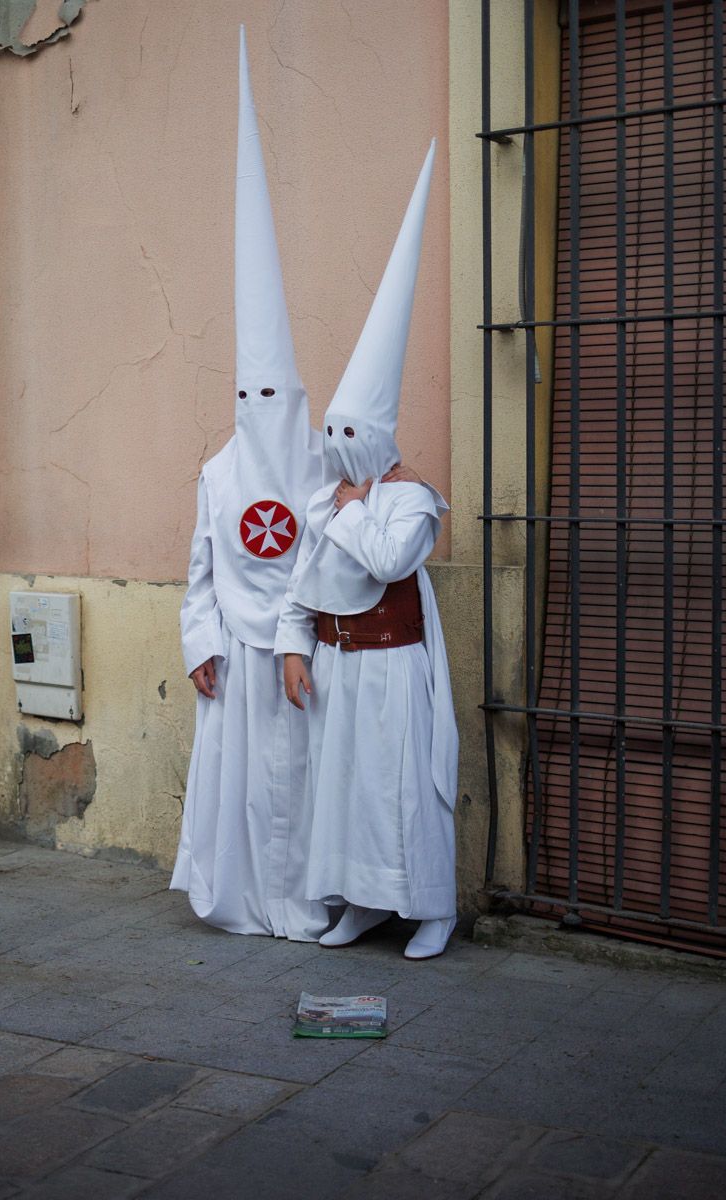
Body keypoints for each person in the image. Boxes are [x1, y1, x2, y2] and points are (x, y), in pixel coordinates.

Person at [275, 143, 462, 962]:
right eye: (333, 432)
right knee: (344, 794)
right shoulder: (326, 498)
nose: (341, 446)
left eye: (355, 433)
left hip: (395, 664)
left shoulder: (414, 498)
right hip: (340, 665)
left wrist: (353, 510)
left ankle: (429, 908)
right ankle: (357, 904)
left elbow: (388, 562)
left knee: (399, 794)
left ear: (379, 435)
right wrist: (291, 645)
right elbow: (301, 581)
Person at [169, 31, 334, 941]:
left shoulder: (319, 465)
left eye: (277, 396)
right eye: (251, 395)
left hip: (305, 661)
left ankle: (309, 902)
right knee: (242, 786)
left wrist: (299, 637)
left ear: (298, 400)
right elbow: (199, 569)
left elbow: (329, 559)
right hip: (237, 662)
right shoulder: (220, 471)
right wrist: (201, 638)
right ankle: (240, 900)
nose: (263, 407)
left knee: (306, 783)